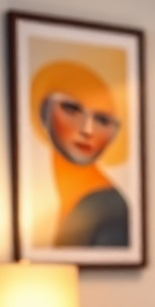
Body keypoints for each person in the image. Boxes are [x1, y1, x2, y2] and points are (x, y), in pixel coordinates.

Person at [32, 61, 129, 247]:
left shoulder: (108, 208)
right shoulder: (64, 200)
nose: (87, 130)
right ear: (44, 111)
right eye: (71, 109)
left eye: (102, 119)